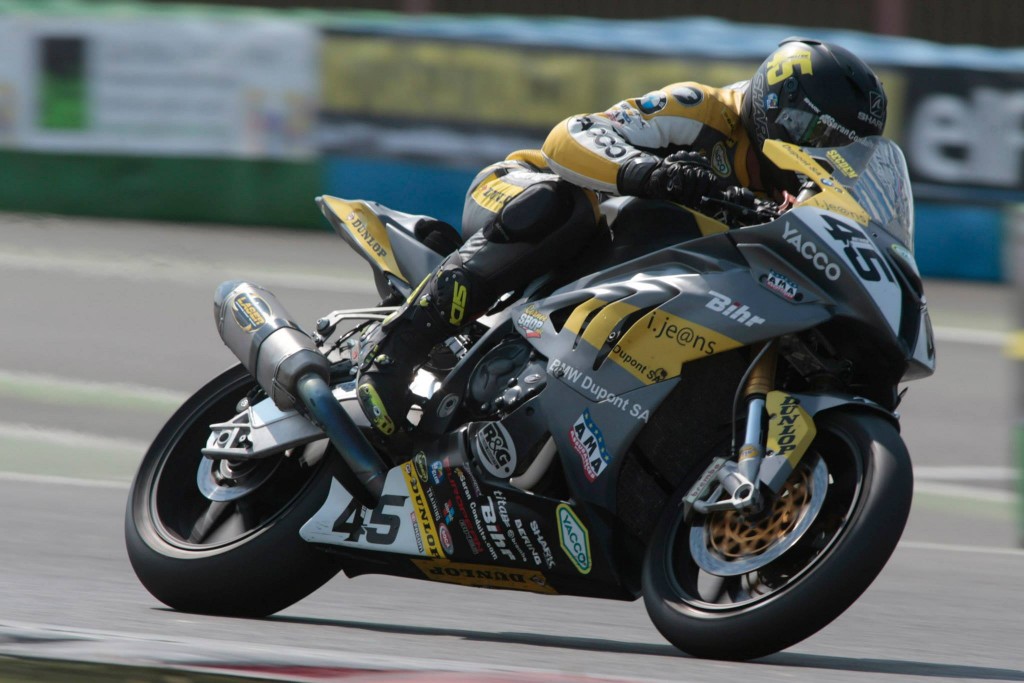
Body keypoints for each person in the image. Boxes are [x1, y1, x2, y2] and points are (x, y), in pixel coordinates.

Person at [355, 37, 888, 442]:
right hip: (522, 192)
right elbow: (570, 136)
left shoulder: (802, 192)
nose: (826, 154)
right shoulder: (703, 110)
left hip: (633, 283)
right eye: (820, 136)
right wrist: (653, 174)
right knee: (567, 208)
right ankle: (396, 349)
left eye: (843, 147)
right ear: (781, 107)